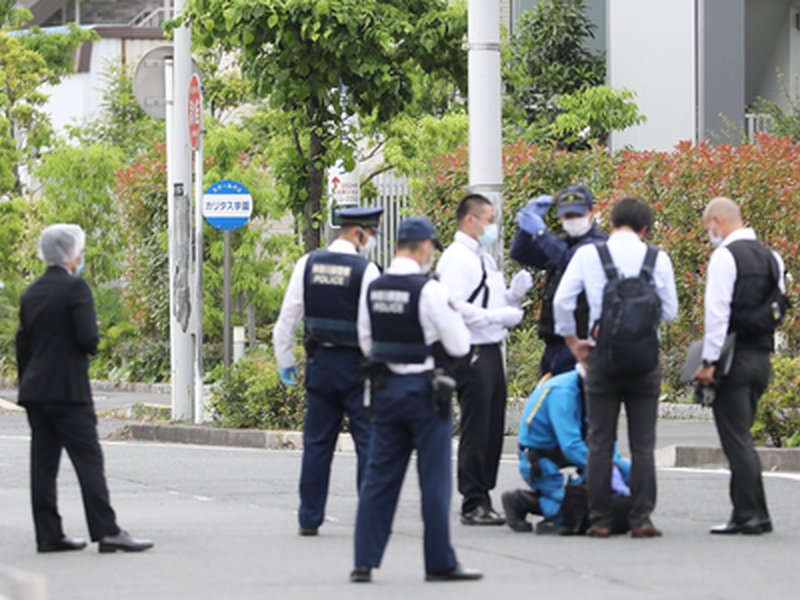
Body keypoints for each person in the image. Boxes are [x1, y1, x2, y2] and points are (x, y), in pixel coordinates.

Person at [351, 217, 481, 583]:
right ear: (425, 247)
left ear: (397, 247)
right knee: (434, 480)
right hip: (424, 393)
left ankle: (364, 561)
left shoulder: (373, 287)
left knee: (379, 478)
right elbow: (460, 345)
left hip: (385, 391)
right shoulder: (430, 291)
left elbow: (365, 341)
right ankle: (439, 562)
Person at [16, 224, 153, 554]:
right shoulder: (76, 289)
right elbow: (88, 340)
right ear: (70, 254)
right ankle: (107, 531)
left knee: (43, 463)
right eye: (79, 250)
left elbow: (23, 343)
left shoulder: (31, 292)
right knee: (88, 459)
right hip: (68, 390)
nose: (81, 256)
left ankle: (48, 535)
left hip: (36, 390)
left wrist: (27, 383)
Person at [553, 198, 678, 538]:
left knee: (600, 441)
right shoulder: (658, 258)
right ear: (645, 229)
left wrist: (573, 341)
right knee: (643, 443)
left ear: (610, 223)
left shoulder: (589, 255)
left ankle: (601, 519)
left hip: (601, 358)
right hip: (644, 362)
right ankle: (641, 518)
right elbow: (670, 312)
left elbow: (562, 301)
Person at [272, 206, 383, 536]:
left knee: (317, 445)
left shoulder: (308, 264)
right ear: (359, 234)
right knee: (368, 443)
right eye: (372, 234)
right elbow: (369, 327)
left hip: (320, 365)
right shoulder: (367, 271)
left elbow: (287, 319)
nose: (372, 240)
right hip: (357, 369)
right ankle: (370, 516)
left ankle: (309, 518)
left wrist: (286, 363)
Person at [436, 193, 531, 526]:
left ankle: (483, 495)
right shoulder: (456, 258)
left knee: (492, 426)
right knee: (477, 427)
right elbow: (453, 305)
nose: (493, 227)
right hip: (472, 349)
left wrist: (513, 297)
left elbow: (491, 300)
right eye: (489, 220)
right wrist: (497, 317)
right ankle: (473, 500)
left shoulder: (483, 258)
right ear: (470, 220)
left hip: (490, 347)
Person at [694, 197, 785, 535]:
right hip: (761, 358)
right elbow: (778, 308)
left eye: (707, 227)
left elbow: (717, 315)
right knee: (742, 435)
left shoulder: (725, 257)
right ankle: (755, 512)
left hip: (733, 358)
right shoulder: (772, 257)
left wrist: (709, 361)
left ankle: (748, 514)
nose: (709, 234)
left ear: (717, 221)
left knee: (736, 440)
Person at [502, 368, 632, 535]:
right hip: (539, 457)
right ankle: (521, 501)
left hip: (575, 450)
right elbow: (570, 446)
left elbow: (605, 437)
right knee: (570, 513)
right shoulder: (562, 393)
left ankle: (576, 496)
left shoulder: (598, 393)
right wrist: (604, 466)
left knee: (626, 471)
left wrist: (615, 467)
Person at [510, 185, 607, 376]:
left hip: (583, 342)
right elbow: (520, 253)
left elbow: (570, 262)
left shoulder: (599, 246)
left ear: (591, 212)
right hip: (554, 344)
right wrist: (525, 228)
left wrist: (540, 233)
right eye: (568, 216)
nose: (573, 220)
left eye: (578, 215)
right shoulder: (561, 244)